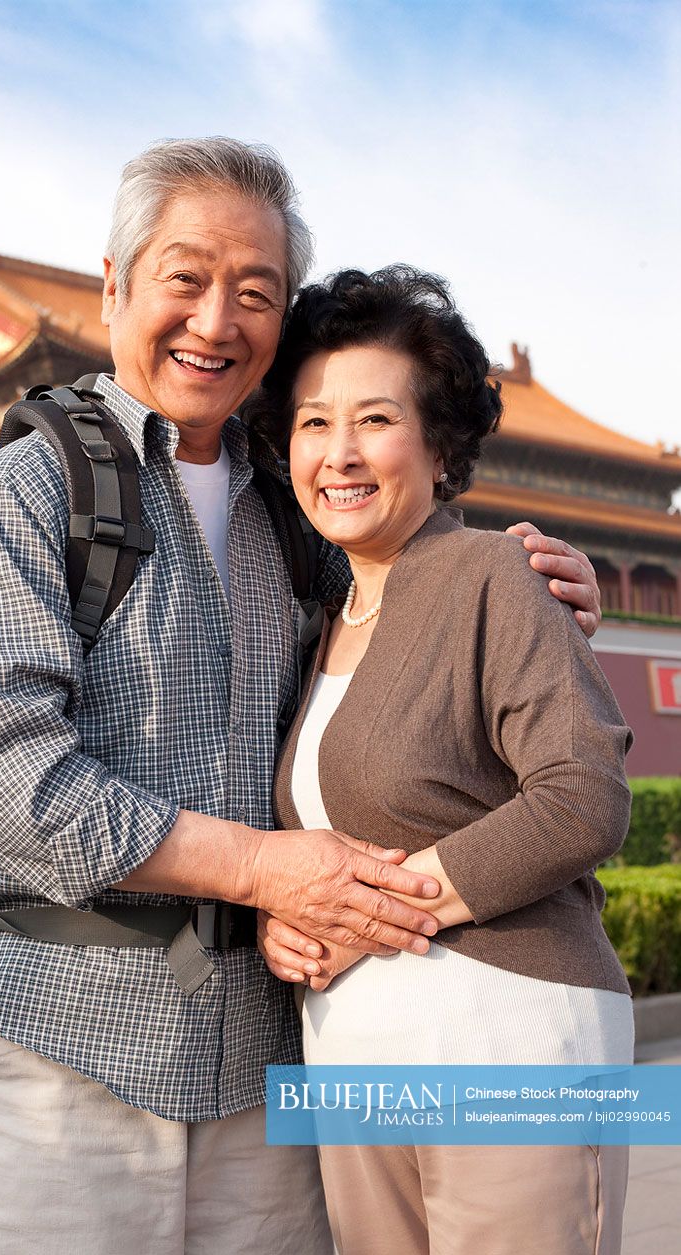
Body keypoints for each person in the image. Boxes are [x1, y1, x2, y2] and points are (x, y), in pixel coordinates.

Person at [0, 139, 603, 1255]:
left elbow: (405, 637)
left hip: (267, 1054)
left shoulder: (293, 505)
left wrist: (516, 586)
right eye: (184, 278)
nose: (215, 320)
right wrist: (266, 869)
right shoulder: (24, 494)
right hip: (57, 1041)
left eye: (256, 293)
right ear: (114, 286)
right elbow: (3, 780)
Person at [254, 265, 634, 1255]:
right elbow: (333, 849)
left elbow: (581, 798)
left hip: (507, 1048)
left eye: (373, 419)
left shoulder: (490, 573)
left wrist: (366, 911)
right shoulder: (324, 615)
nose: (338, 452)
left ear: (438, 446)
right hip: (352, 1069)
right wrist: (285, 920)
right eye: (310, 422)